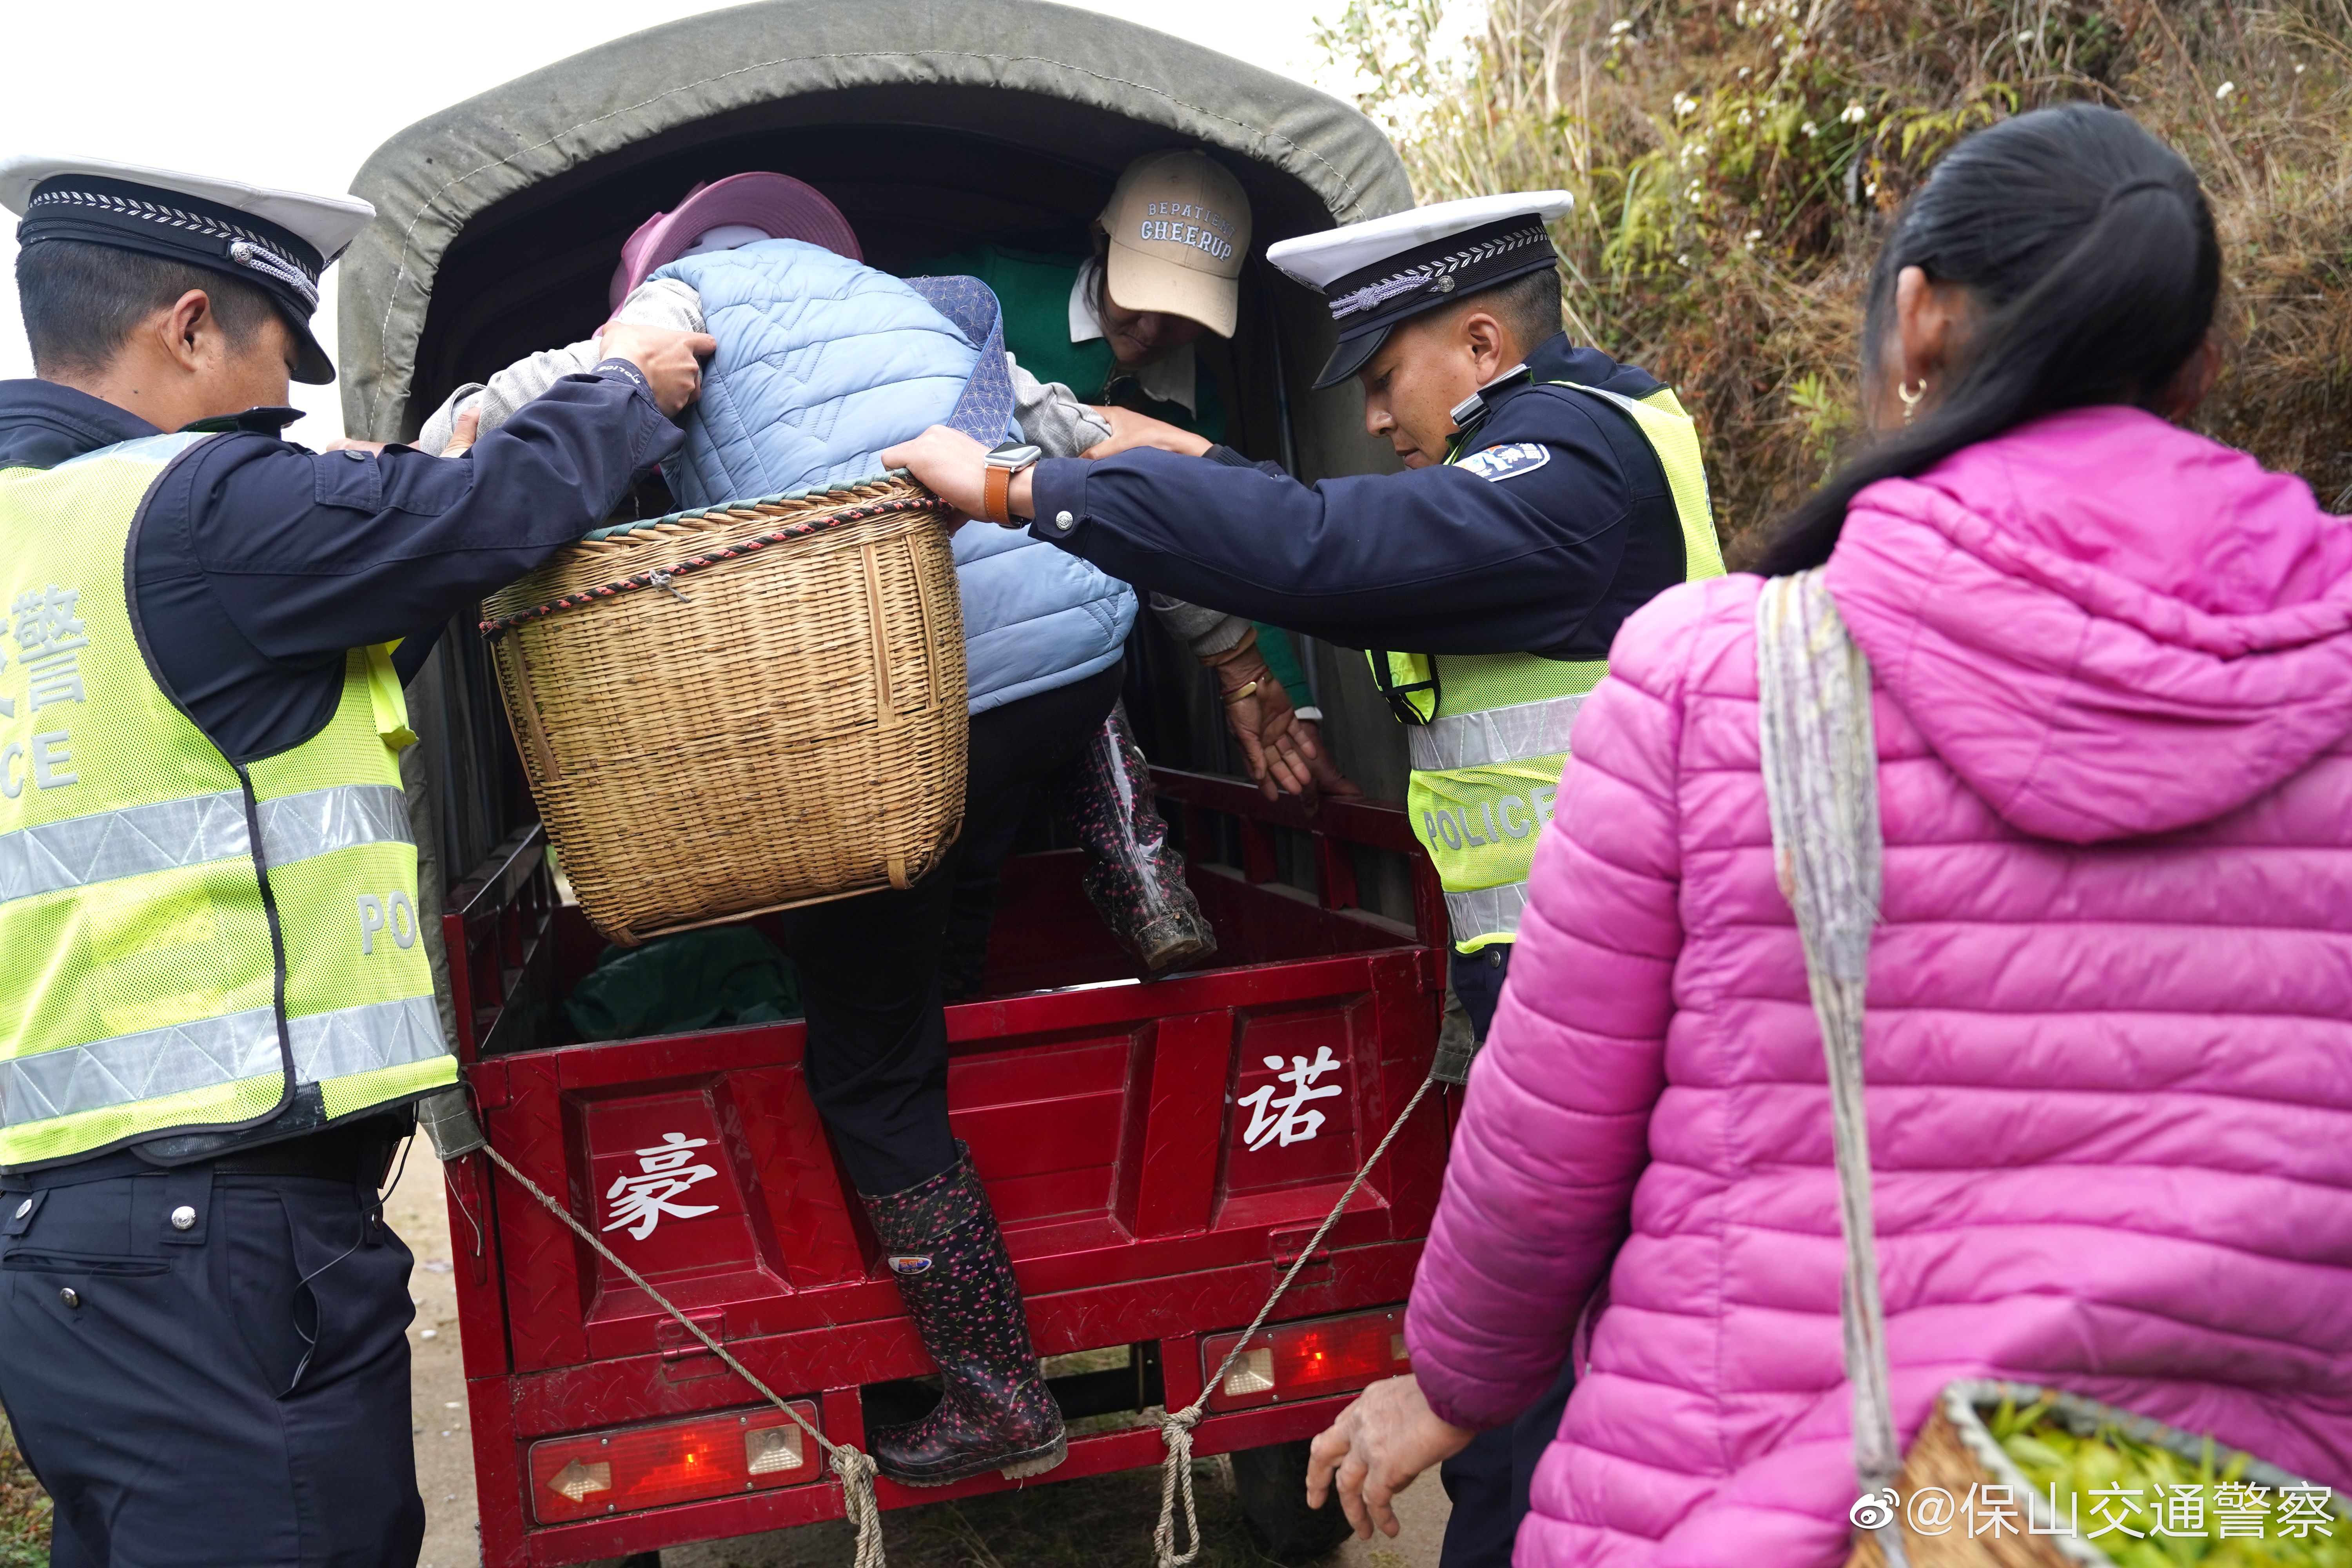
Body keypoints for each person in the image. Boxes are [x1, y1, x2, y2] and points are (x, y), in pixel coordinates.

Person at [1304, 102, 2352, 1566]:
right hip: (2235, 1522)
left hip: (1783, 1507)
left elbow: (1544, 1157)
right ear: (2206, 359)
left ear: (1915, 328)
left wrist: (1461, 1382)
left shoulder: (1721, 675)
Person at [884, 188, 1725, 1565]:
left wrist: (1025, 489)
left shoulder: (1571, 459)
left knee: (1566, 1371)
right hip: (1571, 966)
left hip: (1611, 978)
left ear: (1482, 341)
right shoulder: (1572, 441)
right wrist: (1173, 452)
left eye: (1389, 383)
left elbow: (1335, 551)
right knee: (1540, 1368)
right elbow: (1321, 514)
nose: (1383, 420)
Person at [0, 155, 710, 1568]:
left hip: (74, 1237)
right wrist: (626, 379)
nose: (285, 421)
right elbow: (484, 521)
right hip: (212, 1240)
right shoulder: (194, 514)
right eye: (275, 374)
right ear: (189, 326)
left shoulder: (48, 534)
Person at [919, 149, 1356, 807]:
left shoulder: (1192, 399)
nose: (1152, 330)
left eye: (1182, 313)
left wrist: (1291, 703)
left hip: (1081, 637)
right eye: (1140, 298)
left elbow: (1228, 540)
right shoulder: (994, 284)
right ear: (1100, 240)